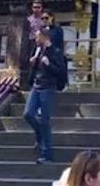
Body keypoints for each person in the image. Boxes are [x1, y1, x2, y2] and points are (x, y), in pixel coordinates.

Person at [24, 28, 66, 164]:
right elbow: (35, 68)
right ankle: (40, 134)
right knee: (28, 114)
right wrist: (33, 63)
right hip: (36, 85)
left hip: (48, 87)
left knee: (45, 121)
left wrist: (48, 64)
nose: (35, 40)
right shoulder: (38, 50)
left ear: (44, 37)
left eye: (37, 37)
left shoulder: (56, 52)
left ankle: (47, 153)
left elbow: (60, 71)